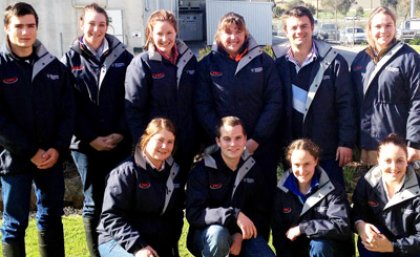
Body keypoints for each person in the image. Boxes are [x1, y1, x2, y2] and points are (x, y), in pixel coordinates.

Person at [195, 13, 282, 235]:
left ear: (246, 34)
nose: (233, 37)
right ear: (218, 34)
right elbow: (202, 104)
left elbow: (274, 102)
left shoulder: (265, 62)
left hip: (260, 149)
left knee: (260, 203)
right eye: (228, 32)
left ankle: (257, 243)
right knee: (225, 202)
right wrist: (225, 141)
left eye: (238, 31)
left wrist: (255, 141)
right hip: (222, 151)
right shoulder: (207, 65)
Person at [0, 2, 75, 257]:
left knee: (52, 217)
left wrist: (56, 147)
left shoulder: (54, 68)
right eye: (18, 26)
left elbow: (68, 112)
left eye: (30, 26)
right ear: (6, 28)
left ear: (36, 28)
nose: (25, 32)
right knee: (14, 224)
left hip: (50, 159)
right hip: (14, 159)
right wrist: (30, 151)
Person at [61, 3, 133, 256]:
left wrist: (120, 133)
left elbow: (132, 99)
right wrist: (91, 138)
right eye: (91, 23)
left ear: (107, 26)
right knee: (93, 203)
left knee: (119, 200)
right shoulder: (69, 59)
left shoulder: (124, 58)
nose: (96, 29)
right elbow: (68, 106)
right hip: (84, 145)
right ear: (82, 24)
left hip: (118, 143)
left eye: (102, 24)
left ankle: (118, 251)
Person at [272, 6, 356, 188]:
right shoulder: (277, 65)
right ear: (286, 31)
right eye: (293, 27)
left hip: (327, 150)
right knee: (295, 206)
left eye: (304, 26)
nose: (299, 31)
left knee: (332, 204)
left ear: (312, 27)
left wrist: (346, 142)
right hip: (292, 152)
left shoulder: (334, 62)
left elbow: (346, 104)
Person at [125, 9, 199, 183]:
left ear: (176, 32)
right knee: (156, 196)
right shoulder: (141, 64)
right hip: (157, 146)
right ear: (150, 34)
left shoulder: (189, 61)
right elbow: (134, 110)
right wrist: (143, 145)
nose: (165, 39)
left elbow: (196, 101)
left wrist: (197, 140)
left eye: (169, 33)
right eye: (159, 33)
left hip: (185, 143)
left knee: (179, 195)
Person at [186, 116, 275, 257]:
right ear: (218, 141)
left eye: (238, 138)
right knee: (219, 235)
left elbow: (261, 212)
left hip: (243, 236)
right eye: (227, 139)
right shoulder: (202, 170)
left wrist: (239, 235)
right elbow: (194, 213)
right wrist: (234, 215)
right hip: (207, 234)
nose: (233, 144)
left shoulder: (254, 169)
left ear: (245, 139)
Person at [97, 118, 185, 257]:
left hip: (155, 242)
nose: (164, 146)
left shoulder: (174, 172)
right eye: (160, 140)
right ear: (147, 139)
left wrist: (169, 245)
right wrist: (138, 247)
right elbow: (111, 216)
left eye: (170, 142)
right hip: (118, 241)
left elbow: (176, 214)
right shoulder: (125, 172)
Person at [351, 6, 420, 169]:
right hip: (367, 144)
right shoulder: (361, 59)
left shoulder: (410, 59)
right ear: (369, 29)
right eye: (378, 26)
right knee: (370, 192)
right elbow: (351, 102)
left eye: (388, 25)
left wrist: (414, 141)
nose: (383, 31)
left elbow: (418, 102)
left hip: (397, 146)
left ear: (395, 27)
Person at [271, 139, 353, 257]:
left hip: (329, 250)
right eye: (297, 165)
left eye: (307, 164)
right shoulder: (282, 192)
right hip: (297, 249)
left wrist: (303, 228)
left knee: (320, 245)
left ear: (315, 161)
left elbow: (341, 226)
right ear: (290, 164)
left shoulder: (333, 189)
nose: (302, 170)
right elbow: (279, 234)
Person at [352, 133, 420, 257]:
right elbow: (357, 213)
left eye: (399, 161)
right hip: (376, 246)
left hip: (408, 248)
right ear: (378, 159)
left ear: (407, 161)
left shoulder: (418, 189)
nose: (394, 167)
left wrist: (391, 246)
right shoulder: (367, 183)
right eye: (388, 161)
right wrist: (360, 225)